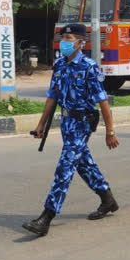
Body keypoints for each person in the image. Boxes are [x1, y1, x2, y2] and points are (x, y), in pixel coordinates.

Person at [24, 23, 120, 238]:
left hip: (82, 123)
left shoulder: (88, 67)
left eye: (69, 38)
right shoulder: (59, 65)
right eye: (63, 38)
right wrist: (41, 124)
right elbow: (52, 96)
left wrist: (110, 131)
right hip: (66, 122)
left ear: (80, 42)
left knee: (65, 167)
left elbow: (102, 101)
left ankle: (47, 216)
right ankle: (107, 198)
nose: (65, 42)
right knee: (83, 164)